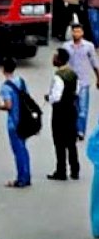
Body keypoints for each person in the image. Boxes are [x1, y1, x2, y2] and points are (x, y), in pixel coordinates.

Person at [0, 58, 31, 188]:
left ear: (3, 69)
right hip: (25, 121)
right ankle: (27, 176)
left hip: (14, 123)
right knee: (24, 149)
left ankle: (21, 179)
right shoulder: (21, 81)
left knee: (18, 151)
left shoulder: (5, 87)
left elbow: (9, 105)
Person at [46, 48, 80, 180]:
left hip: (60, 112)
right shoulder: (73, 74)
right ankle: (75, 170)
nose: (53, 59)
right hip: (71, 110)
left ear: (59, 59)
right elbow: (77, 91)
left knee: (59, 141)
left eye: (55, 57)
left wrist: (48, 98)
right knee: (71, 142)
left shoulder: (58, 76)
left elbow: (56, 97)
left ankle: (61, 171)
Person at [63, 22, 99, 141]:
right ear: (71, 32)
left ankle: (80, 131)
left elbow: (95, 63)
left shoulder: (89, 46)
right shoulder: (66, 46)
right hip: (70, 83)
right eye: (74, 31)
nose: (76, 33)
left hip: (84, 82)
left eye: (79, 31)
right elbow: (62, 64)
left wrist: (98, 78)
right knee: (72, 109)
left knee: (83, 110)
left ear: (82, 33)